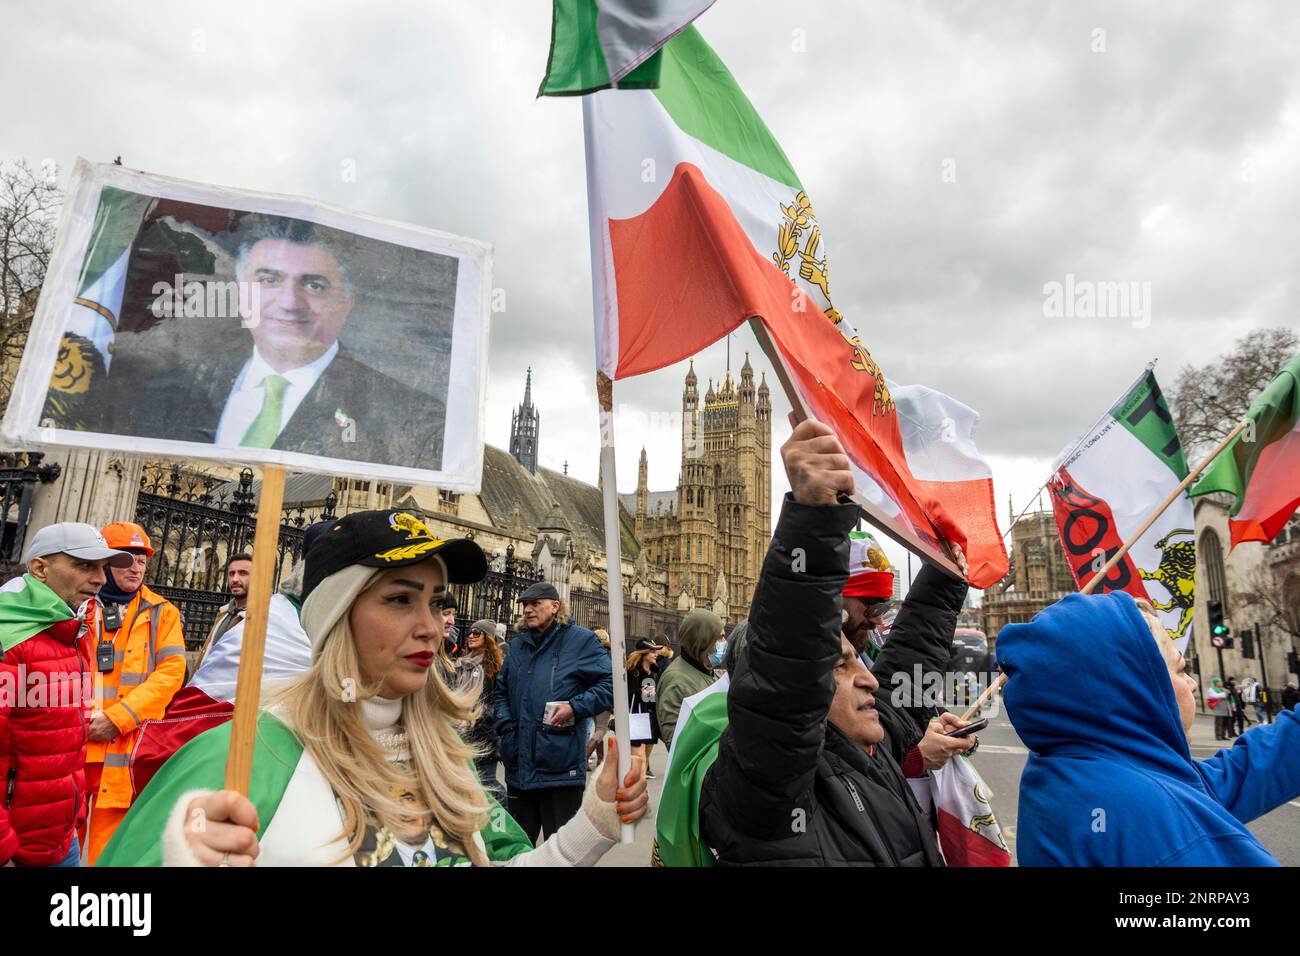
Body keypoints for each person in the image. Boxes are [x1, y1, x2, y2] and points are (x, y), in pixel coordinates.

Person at [97, 510, 647, 866]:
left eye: (436, 601)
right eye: (400, 599)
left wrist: (592, 824)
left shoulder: (442, 759)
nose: (431, 625)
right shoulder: (244, 755)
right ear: (338, 617)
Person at [697, 419, 974, 866]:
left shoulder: (871, 749)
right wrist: (814, 519)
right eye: (839, 666)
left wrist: (944, 581)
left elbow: (905, 674)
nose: (869, 678)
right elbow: (782, 684)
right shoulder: (772, 790)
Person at [100, 218, 443, 466]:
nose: (290, 302)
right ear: (241, 293)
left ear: (346, 305)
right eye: (269, 279)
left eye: (314, 285)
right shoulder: (169, 386)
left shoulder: (411, 419)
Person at [1000, 594, 1300, 865]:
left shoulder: (1074, 768)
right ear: (1136, 687)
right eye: (1181, 669)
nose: (1193, 684)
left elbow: (1235, 777)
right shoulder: (1150, 818)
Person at [0, 523, 133, 867]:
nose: (102, 578)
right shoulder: (9, 639)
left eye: (103, 567)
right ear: (40, 568)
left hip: (61, 840)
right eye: (85, 565)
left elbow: (66, 741)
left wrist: (72, 821)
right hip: (17, 850)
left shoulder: (70, 630)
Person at [80, 522, 187, 864]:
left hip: (125, 750)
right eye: (128, 559)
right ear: (104, 562)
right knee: (57, 845)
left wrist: (117, 719)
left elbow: (172, 673)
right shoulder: (79, 607)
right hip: (75, 744)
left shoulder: (162, 612)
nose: (137, 567)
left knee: (110, 852)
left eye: (142, 560)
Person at [494, 581, 614, 846]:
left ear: (555, 606)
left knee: (560, 852)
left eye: (535, 604)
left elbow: (611, 685)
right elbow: (500, 690)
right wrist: (506, 728)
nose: (527, 610)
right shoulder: (518, 645)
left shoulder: (581, 641)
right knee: (515, 852)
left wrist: (575, 706)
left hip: (559, 770)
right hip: (519, 767)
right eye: (525, 604)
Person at [656, 611, 722, 749]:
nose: (723, 644)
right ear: (703, 640)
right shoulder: (675, 680)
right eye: (719, 638)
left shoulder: (709, 672)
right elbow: (677, 743)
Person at [458, 619, 505, 798]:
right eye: (470, 632)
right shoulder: (463, 664)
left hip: (485, 733)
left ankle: (509, 816)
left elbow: (498, 702)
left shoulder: (494, 668)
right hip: (464, 733)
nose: (471, 636)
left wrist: (477, 716)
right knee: (469, 782)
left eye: (477, 633)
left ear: (488, 638)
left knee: (488, 783)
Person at [193, 552, 252, 671]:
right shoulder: (224, 613)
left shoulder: (263, 618)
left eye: (243, 573)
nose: (235, 579)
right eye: (231, 573)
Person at [625, 640, 663, 778]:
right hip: (636, 716)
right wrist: (639, 691)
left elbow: (654, 698)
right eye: (652, 651)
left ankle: (641, 790)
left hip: (651, 718)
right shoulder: (631, 671)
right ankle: (638, 792)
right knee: (639, 759)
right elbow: (622, 695)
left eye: (656, 651)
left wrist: (656, 693)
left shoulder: (654, 672)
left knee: (645, 760)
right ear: (644, 653)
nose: (656, 654)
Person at [586, 628, 613, 770]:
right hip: (604, 695)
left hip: (591, 695)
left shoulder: (589, 655)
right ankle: (585, 756)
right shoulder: (608, 656)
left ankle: (600, 760)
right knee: (601, 729)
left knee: (598, 727)